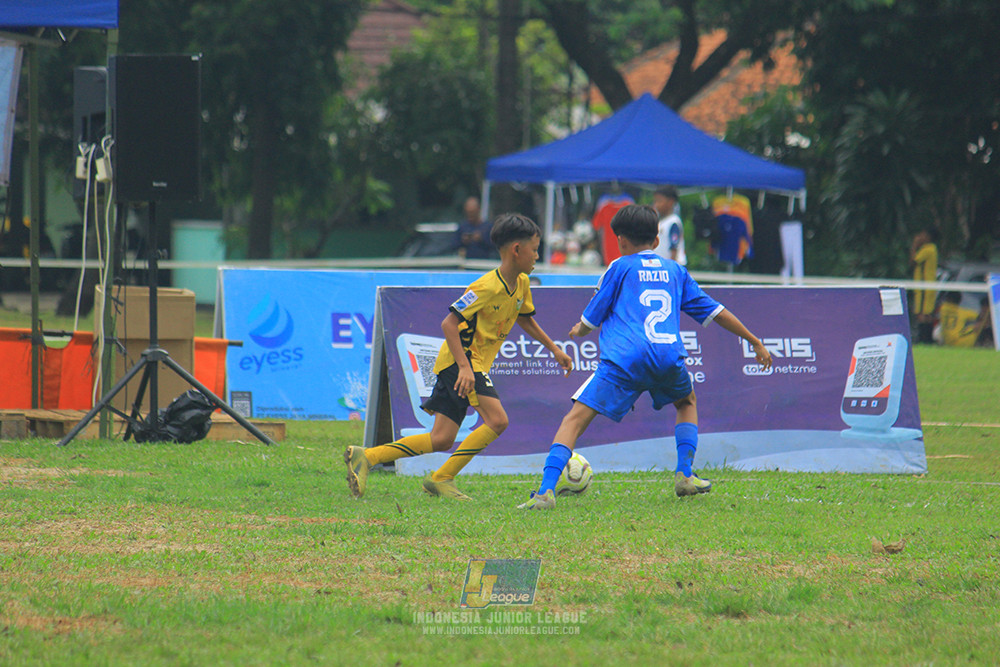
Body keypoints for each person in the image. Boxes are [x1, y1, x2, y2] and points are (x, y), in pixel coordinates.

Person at [517, 204, 772, 510]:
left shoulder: (619, 267)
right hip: (667, 357)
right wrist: (754, 340)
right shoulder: (676, 271)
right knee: (686, 401)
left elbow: (592, 317)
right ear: (656, 241)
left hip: (625, 359)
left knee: (574, 420)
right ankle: (685, 475)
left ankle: (546, 491)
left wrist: (579, 330)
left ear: (620, 240)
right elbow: (716, 312)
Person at [345, 213, 574, 500]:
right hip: (461, 362)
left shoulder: (523, 283)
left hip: (465, 365)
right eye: (535, 249)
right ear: (517, 250)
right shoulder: (485, 287)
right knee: (498, 420)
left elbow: (524, 318)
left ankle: (367, 456)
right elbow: (448, 324)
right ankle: (443, 476)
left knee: (441, 438)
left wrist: (554, 349)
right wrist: (465, 368)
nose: (537, 256)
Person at [909, 228, 939, 344]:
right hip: (926, 286)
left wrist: (914, 245)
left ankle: (924, 340)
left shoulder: (928, 249)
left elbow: (913, 262)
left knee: (922, 314)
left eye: (923, 234)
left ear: (928, 237)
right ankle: (927, 340)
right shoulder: (931, 249)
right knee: (926, 313)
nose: (920, 236)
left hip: (924, 287)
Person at [652, 185, 686, 266]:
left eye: (659, 201)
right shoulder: (660, 222)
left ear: (670, 202)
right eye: (655, 201)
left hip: (673, 266)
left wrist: (671, 268)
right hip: (662, 266)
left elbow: (674, 247)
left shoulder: (673, 222)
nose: (656, 205)